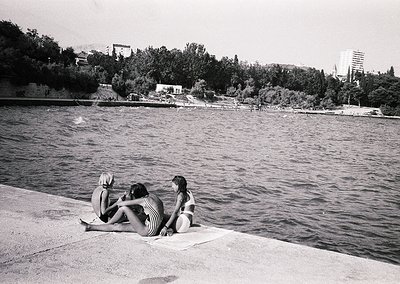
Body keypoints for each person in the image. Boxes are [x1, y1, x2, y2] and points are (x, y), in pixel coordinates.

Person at [81, 183, 164, 237]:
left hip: (147, 231)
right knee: (118, 226)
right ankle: (90, 227)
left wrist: (120, 200)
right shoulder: (153, 197)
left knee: (124, 209)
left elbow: (121, 204)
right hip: (152, 227)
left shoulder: (143, 200)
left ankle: (107, 224)